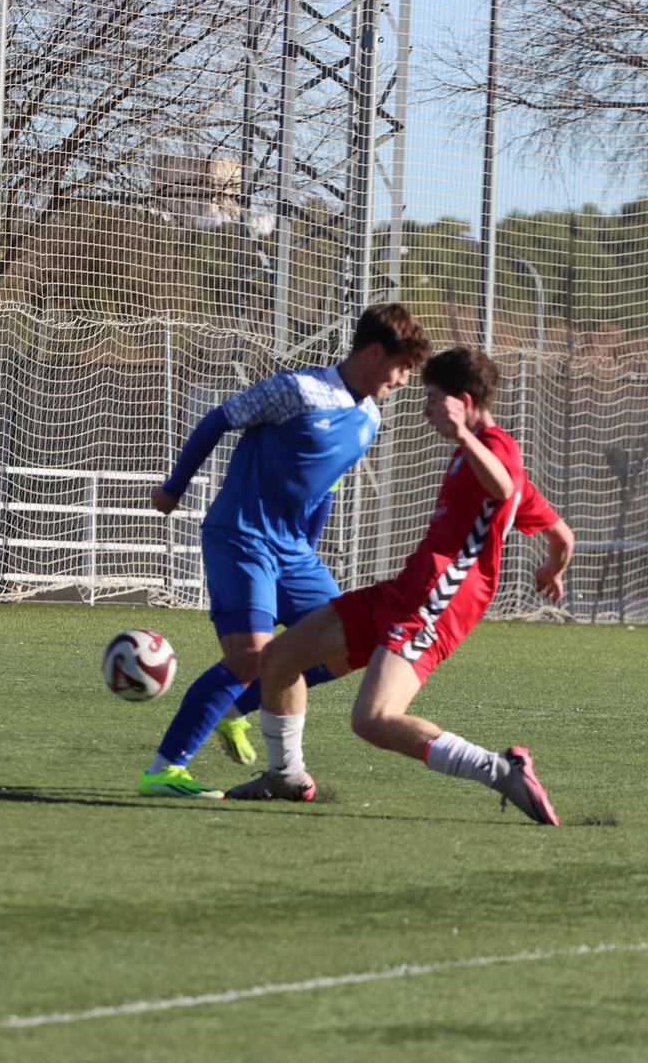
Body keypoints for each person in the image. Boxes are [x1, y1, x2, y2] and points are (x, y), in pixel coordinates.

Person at [226, 345, 574, 825]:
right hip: (406, 592)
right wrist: (554, 566)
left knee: (373, 720)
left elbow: (503, 487)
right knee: (279, 659)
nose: (426, 409)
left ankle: (501, 770)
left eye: (432, 398)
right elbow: (562, 534)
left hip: (437, 603)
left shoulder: (496, 448)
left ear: (462, 402)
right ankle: (286, 776)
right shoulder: (476, 455)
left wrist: (463, 435)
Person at [138, 304, 432, 798]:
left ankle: (234, 709)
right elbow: (219, 419)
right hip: (242, 535)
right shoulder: (297, 389)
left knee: (351, 645)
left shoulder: (369, 419)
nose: (404, 380)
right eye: (402, 366)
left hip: (293, 554)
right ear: (374, 352)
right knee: (251, 657)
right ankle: (164, 770)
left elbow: (326, 489)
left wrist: (303, 559)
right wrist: (173, 489)